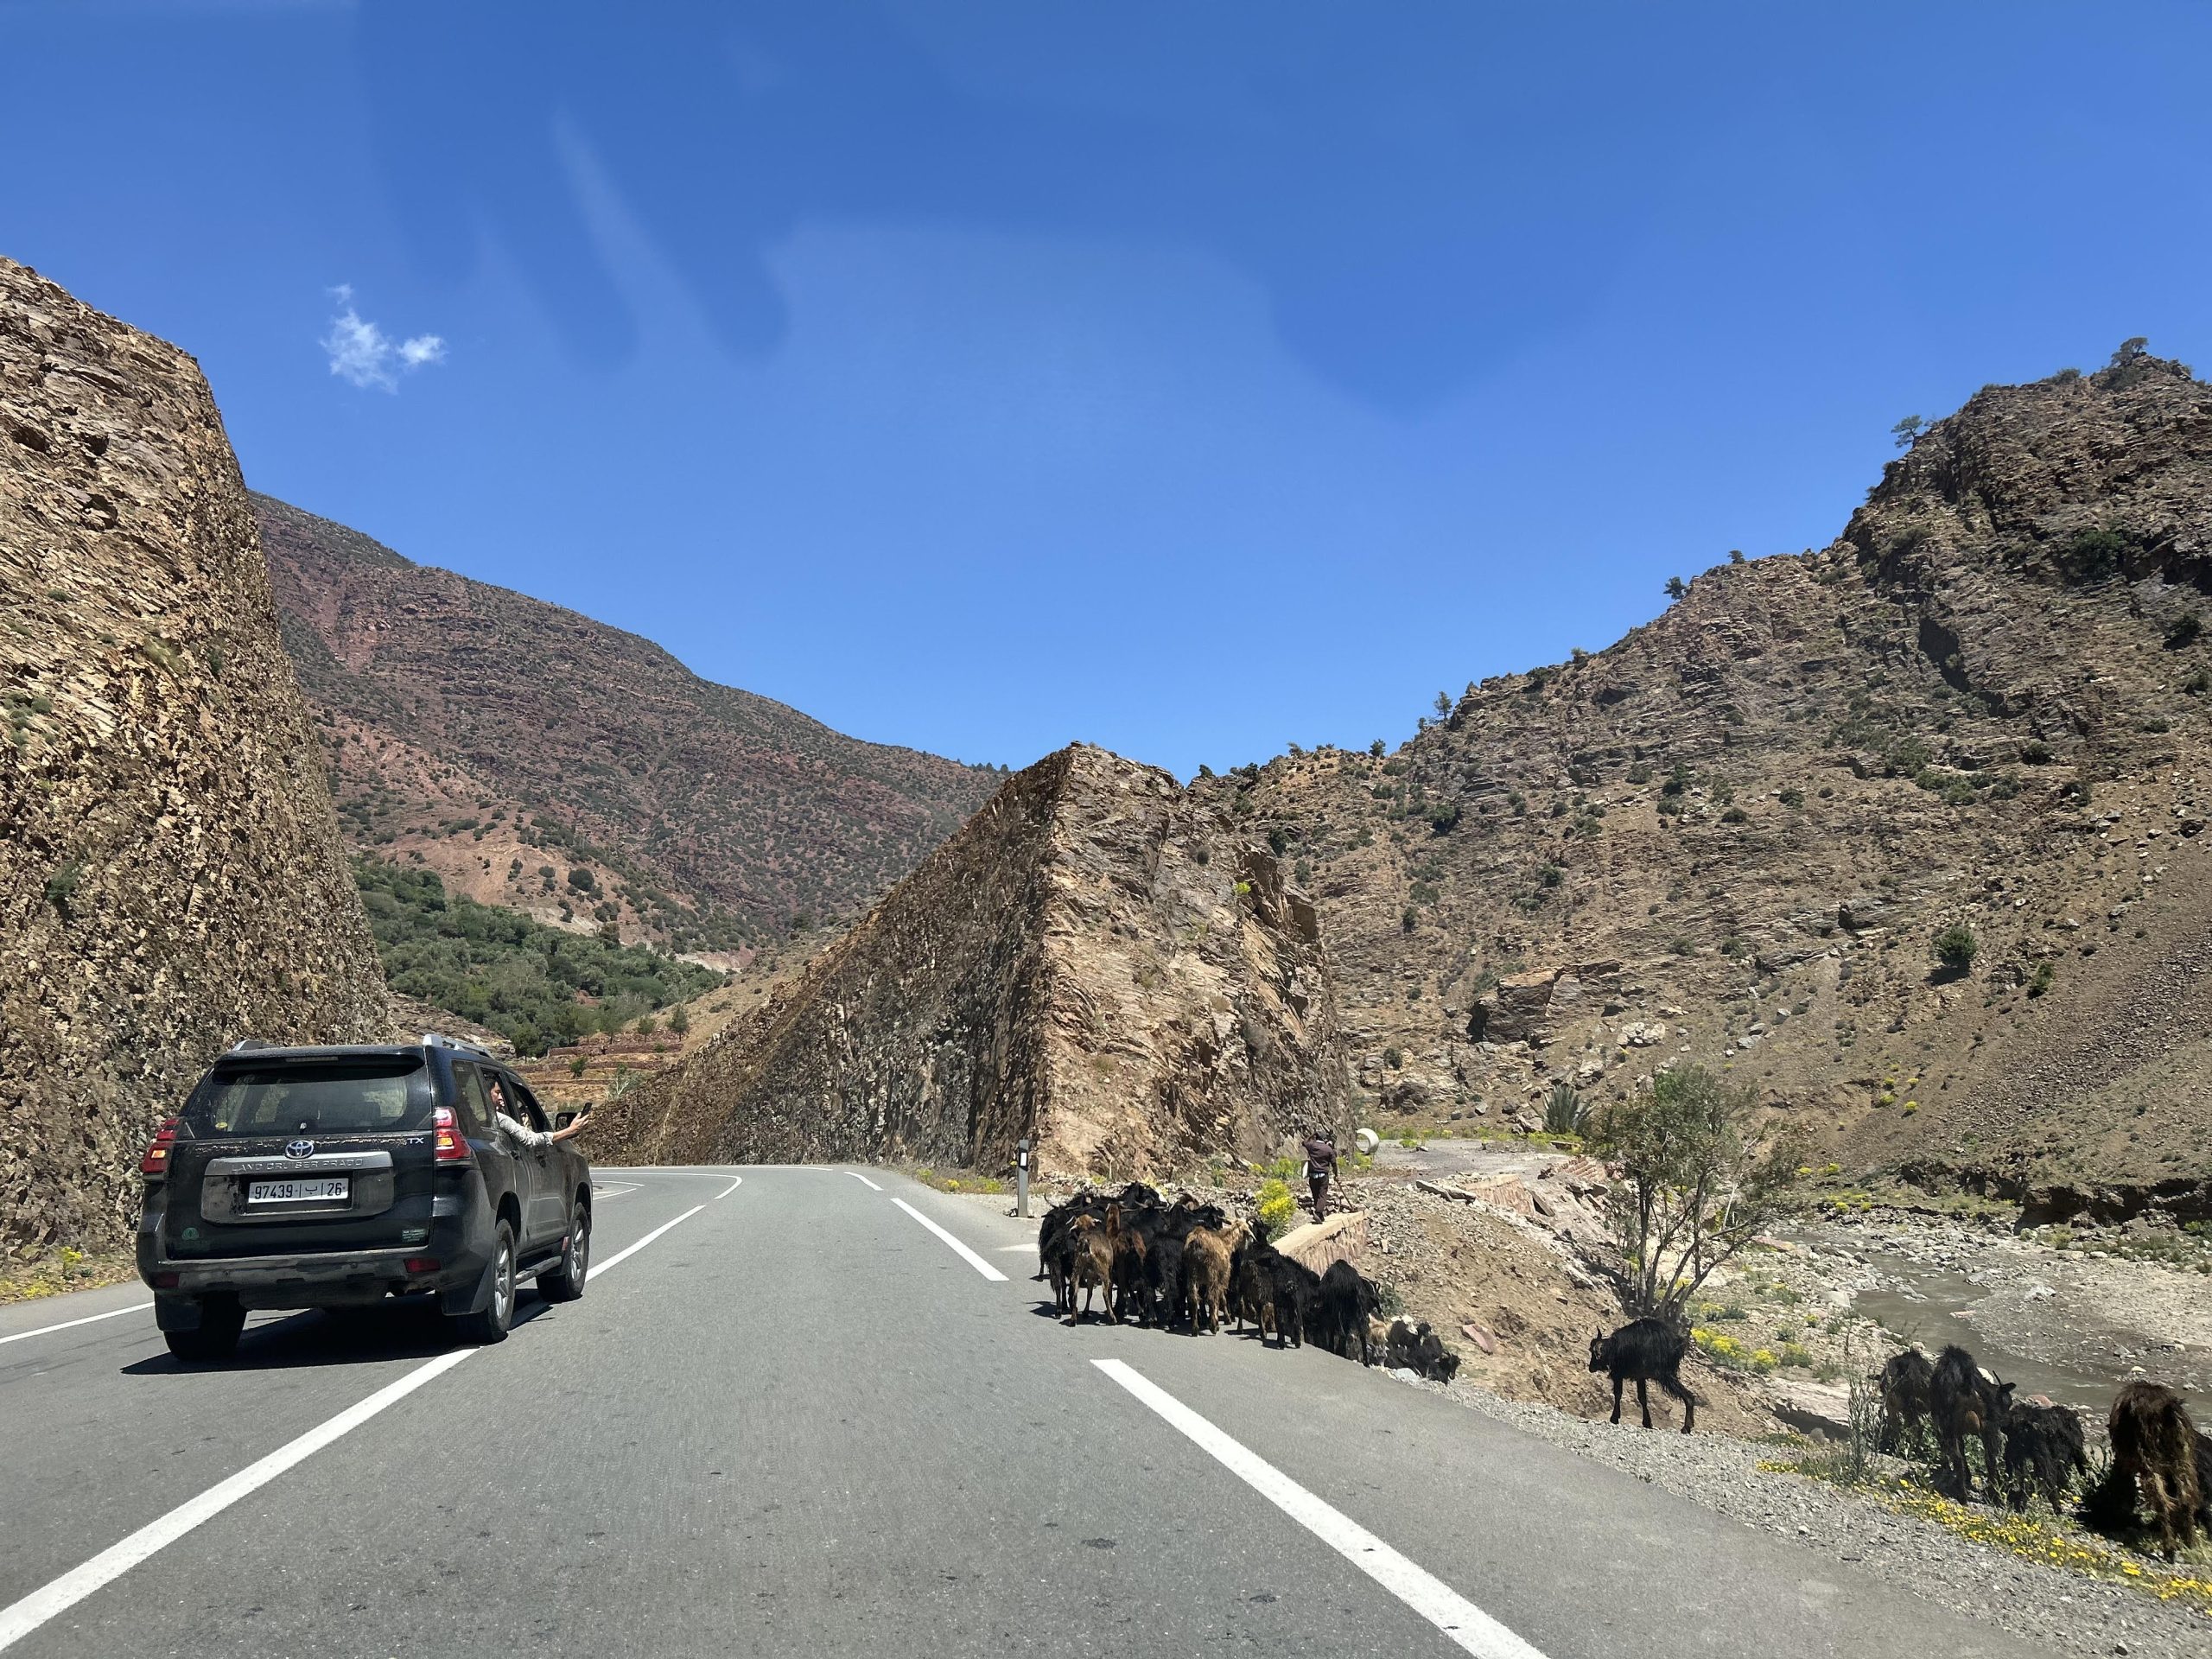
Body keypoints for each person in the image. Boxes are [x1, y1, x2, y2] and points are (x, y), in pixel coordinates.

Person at [486, 1075, 590, 1149]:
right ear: (486, 1093)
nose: (501, 1098)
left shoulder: (473, 1118)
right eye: (497, 1092)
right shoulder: (499, 1119)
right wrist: (571, 1130)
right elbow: (530, 1140)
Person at [1301, 1129, 1338, 1221]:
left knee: (1315, 1195)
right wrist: (1336, 1174)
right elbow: (1334, 1164)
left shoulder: (1312, 1146)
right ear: (1324, 1138)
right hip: (1323, 1176)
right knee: (1322, 1196)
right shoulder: (1328, 1149)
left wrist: (1312, 1134)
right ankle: (1318, 1213)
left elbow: (1304, 1142)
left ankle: (1320, 1216)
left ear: (1316, 1137)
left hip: (1312, 1175)